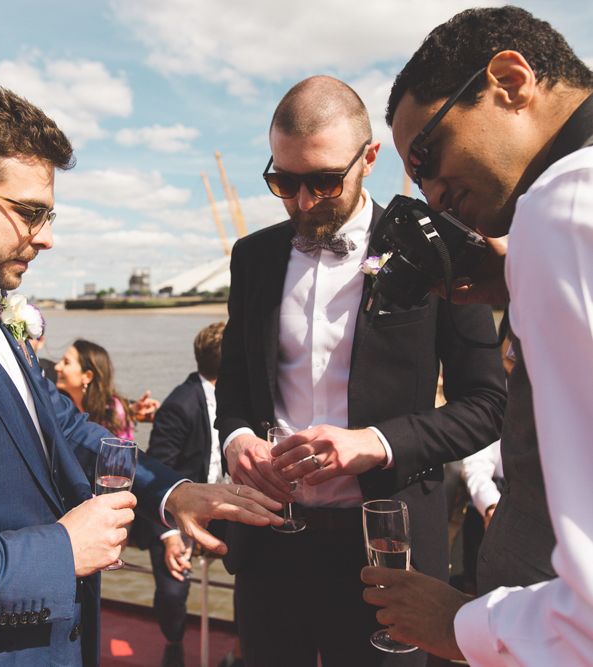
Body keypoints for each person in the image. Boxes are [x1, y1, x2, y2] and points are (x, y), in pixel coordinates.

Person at [0, 80, 282, 666]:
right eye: (30, 212)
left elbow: (65, 431)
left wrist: (173, 493)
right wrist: (59, 552)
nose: (48, 238)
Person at [215, 75, 507, 667]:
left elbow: (488, 403)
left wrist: (375, 443)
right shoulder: (253, 256)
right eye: (284, 182)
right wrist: (237, 439)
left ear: (369, 158)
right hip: (271, 544)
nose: (302, 202)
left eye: (323, 181)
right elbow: (236, 387)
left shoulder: (436, 249)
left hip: (389, 548)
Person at [362, 7, 593, 665]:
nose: (432, 195)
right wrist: (520, 282)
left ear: (509, 80)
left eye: (428, 155)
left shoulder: (562, 203)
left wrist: (456, 625)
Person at [139, 321, 238, 667]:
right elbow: (155, 473)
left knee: (258, 565)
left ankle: (243, 650)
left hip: (225, 507)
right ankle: (174, 643)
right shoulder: (180, 406)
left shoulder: (240, 403)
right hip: (178, 513)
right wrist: (169, 536)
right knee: (172, 590)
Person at [54, 338, 158, 439]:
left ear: (87, 376)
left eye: (66, 362)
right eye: (60, 361)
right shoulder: (54, 402)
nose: (57, 367)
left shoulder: (112, 414)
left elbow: (118, 454)